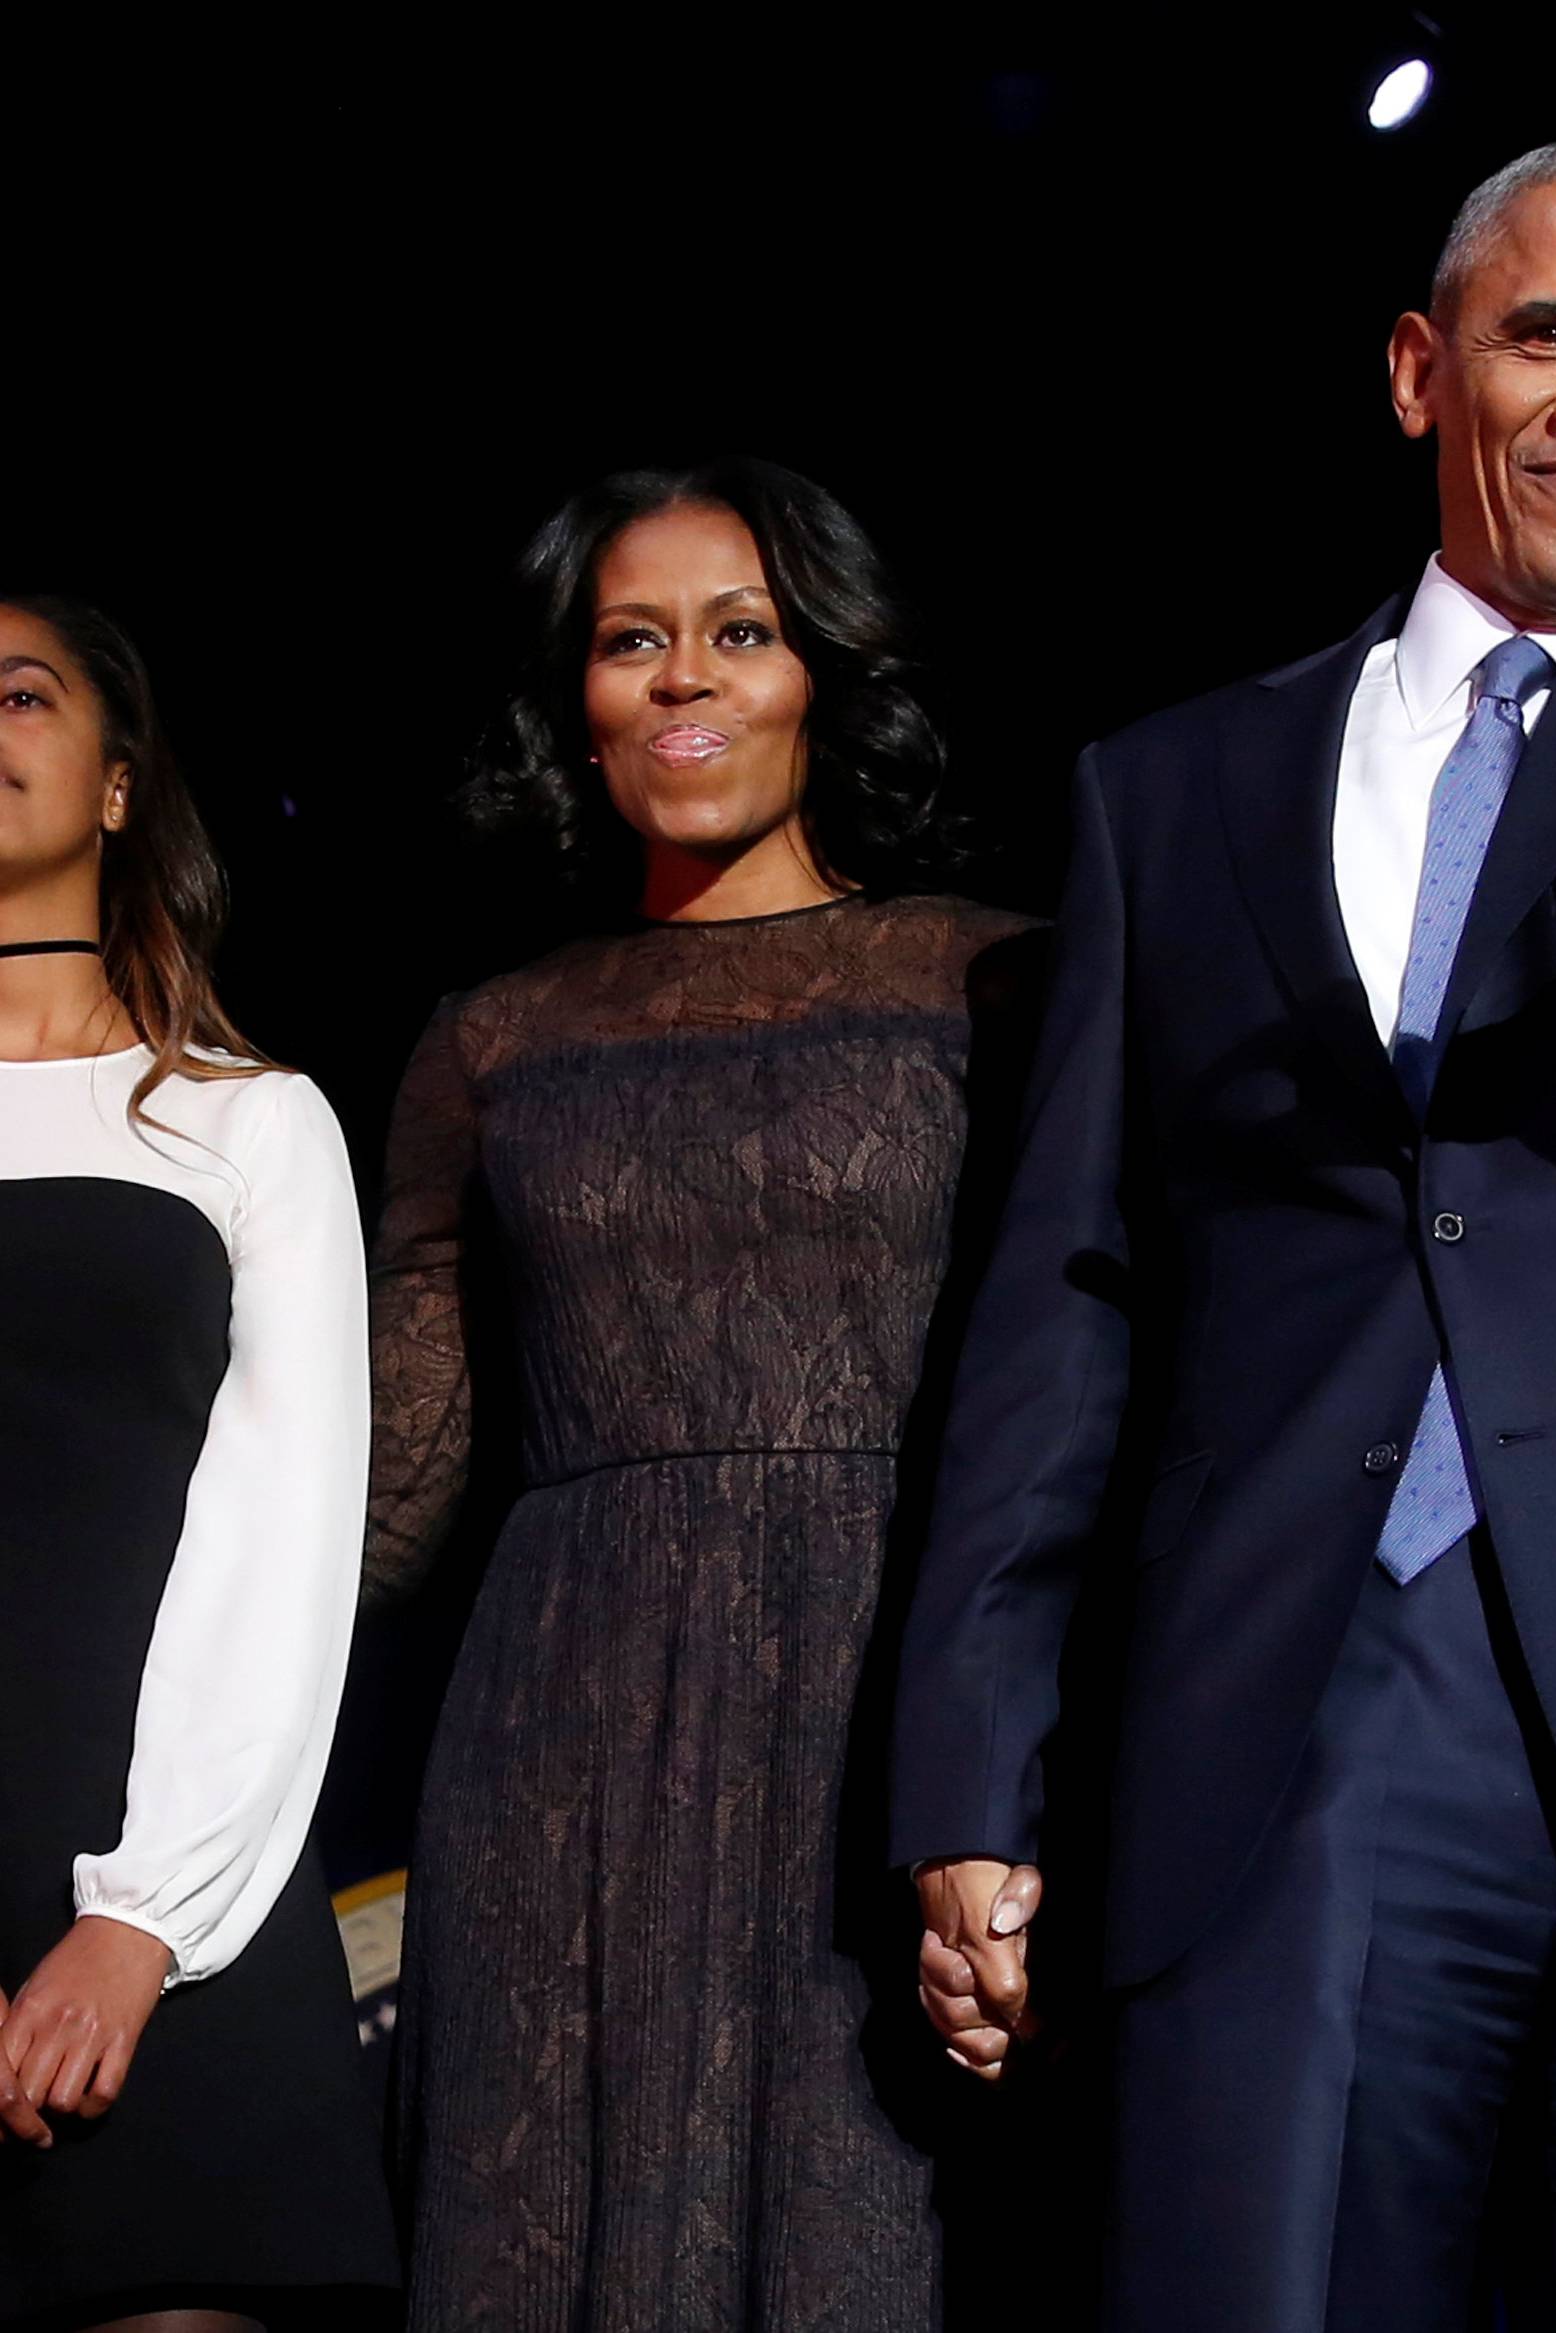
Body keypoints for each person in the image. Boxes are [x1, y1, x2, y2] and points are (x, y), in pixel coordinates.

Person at [892, 126, 1556, 2331]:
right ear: (1414, 370)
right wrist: (975, 1772)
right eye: (1551, 328)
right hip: (1294, 1735)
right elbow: (1068, 1299)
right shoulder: (1171, 788)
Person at [364, 459, 1042, 2330]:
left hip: (894, 1714)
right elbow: (388, 1491)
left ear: (819, 675)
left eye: (739, 633)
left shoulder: (992, 979)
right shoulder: (491, 1037)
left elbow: (1088, 1408)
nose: (685, 678)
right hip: (558, 1744)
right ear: (576, 708)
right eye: (632, 641)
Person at [0, 594, 398, 2330]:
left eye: (18, 693)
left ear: (112, 783)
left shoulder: (245, 1114)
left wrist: (144, 1919)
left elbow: (284, 1533)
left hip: (178, 1893)